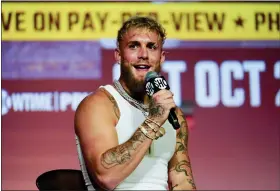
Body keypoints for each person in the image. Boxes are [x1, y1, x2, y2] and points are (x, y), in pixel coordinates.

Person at [75, 16, 196, 190]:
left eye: (151, 47)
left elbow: (182, 181)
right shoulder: (98, 105)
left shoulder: (173, 114)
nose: (143, 55)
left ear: (161, 58)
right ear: (118, 55)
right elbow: (106, 176)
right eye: (134, 46)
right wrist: (154, 120)